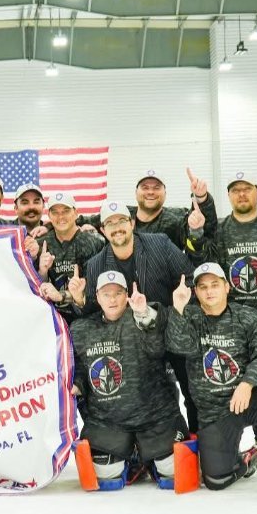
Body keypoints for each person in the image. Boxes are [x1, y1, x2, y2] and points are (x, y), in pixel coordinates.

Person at [166, 263, 257, 500]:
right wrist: (178, 307)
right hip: (215, 412)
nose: (210, 291)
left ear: (227, 287)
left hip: (249, 399)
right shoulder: (188, 317)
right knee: (216, 480)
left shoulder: (248, 316)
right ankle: (249, 458)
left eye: (215, 285)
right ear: (195, 292)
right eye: (203, 287)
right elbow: (179, 346)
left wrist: (247, 383)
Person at [72, 200, 199, 432]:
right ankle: (137, 449)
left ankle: (194, 441)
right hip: (131, 344)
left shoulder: (159, 244)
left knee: (191, 390)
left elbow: (188, 278)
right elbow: (92, 310)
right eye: (110, 223)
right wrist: (79, 299)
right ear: (102, 230)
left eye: (121, 220)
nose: (117, 227)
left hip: (168, 328)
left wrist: (177, 313)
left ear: (131, 223)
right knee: (139, 398)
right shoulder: (95, 264)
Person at [67, 271, 187, 485]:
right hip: (108, 420)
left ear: (126, 296)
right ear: (97, 297)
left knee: (172, 470)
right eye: (106, 294)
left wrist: (143, 313)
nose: (112, 299)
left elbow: (158, 347)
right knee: (105, 475)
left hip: (154, 416)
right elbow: (81, 370)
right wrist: (76, 384)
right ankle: (133, 456)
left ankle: (149, 456)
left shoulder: (142, 316)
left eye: (118, 293)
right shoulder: (81, 328)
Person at [209, 172, 257, 462]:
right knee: (239, 385)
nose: (241, 195)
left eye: (246, 189)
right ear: (229, 196)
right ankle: (246, 439)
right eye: (235, 190)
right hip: (235, 326)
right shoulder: (222, 229)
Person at [83, 168, 217, 266]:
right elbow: (80, 221)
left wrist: (201, 198)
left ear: (165, 192)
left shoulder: (176, 218)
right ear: (136, 192)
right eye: (145, 187)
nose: (151, 192)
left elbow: (204, 226)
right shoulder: (121, 214)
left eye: (156, 187)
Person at [35, 192, 104, 325]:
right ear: (49, 215)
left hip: (86, 318)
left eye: (66, 211)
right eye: (55, 212)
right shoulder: (40, 244)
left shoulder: (93, 243)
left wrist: (63, 296)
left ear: (76, 213)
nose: (60, 216)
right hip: (50, 319)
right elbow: (33, 288)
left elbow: (97, 290)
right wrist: (42, 271)